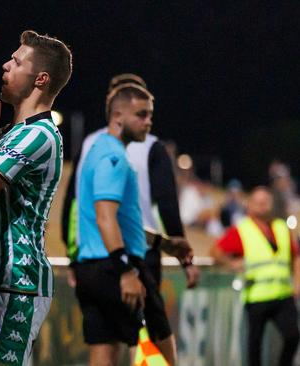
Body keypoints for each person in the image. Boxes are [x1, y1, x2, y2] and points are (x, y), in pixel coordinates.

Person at [66, 74, 197, 364]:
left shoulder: (95, 149)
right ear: (117, 116)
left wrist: (164, 244)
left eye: (150, 115)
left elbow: (121, 221)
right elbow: (105, 218)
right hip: (116, 266)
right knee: (160, 336)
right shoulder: (113, 157)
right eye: (141, 115)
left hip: (92, 266)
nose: (149, 122)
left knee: (104, 348)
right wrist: (126, 271)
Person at [0, 30, 72, 365]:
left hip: (17, 281)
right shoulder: (13, 132)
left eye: (16, 61)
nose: (5, 66)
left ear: (40, 79)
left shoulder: (40, 135)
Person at [212, 186, 300, 366]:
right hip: (256, 296)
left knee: (292, 336)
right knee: (255, 345)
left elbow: (295, 256)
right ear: (250, 205)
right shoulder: (242, 229)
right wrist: (232, 264)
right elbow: (216, 251)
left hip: (283, 294)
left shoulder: (281, 228)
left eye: (266, 202)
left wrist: (297, 282)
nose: (262, 206)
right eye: (258, 202)